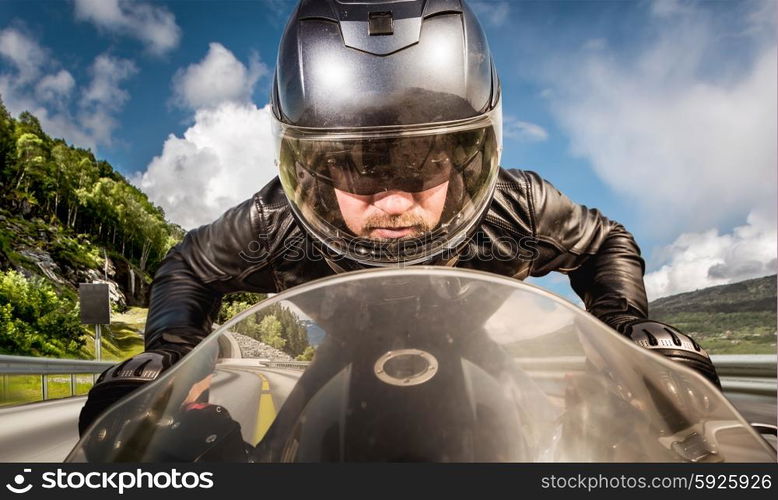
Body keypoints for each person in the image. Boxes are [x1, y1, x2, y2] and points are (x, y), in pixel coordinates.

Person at [79, 0, 719, 436]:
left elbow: (606, 241)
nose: (390, 202)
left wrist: (628, 329)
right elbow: (188, 265)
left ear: (468, 157)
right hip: (339, 364)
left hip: (482, 356)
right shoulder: (276, 218)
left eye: (420, 165)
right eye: (356, 167)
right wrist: (169, 359)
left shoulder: (515, 204)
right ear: (314, 168)